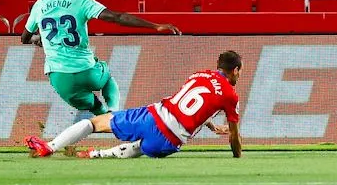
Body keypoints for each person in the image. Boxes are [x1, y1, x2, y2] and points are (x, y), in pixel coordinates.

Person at [26, 50, 243, 160]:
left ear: (217, 66)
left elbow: (189, 102)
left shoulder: (198, 75)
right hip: (169, 142)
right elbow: (233, 136)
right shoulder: (230, 95)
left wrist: (212, 126)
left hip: (154, 117)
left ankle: (50, 147)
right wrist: (237, 156)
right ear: (234, 70)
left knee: (95, 123)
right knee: (142, 147)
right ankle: (94, 155)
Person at [21, 0, 180, 116]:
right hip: (87, 71)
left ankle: (105, 118)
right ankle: (114, 113)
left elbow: (24, 38)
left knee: (93, 105)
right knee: (107, 78)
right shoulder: (81, 0)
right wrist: (155, 26)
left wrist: (38, 38)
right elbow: (116, 17)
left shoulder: (39, 4)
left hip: (60, 79)